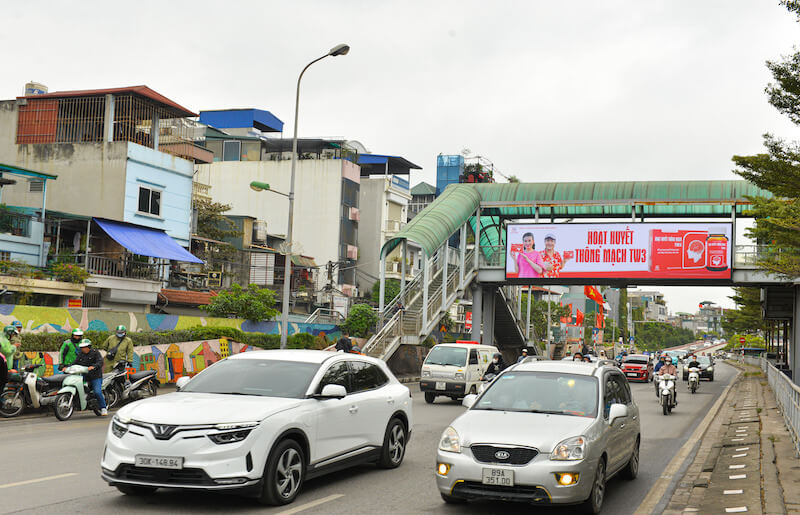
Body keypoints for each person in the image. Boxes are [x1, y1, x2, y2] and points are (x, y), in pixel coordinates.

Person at [72, 339, 107, 416]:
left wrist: (94, 366)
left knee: (97, 392)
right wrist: (67, 367)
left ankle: (103, 407)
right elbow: (75, 362)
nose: (83, 349)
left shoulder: (95, 353)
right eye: (81, 347)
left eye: (84, 347)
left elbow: (100, 362)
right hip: (84, 376)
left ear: (89, 347)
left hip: (95, 376)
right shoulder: (81, 354)